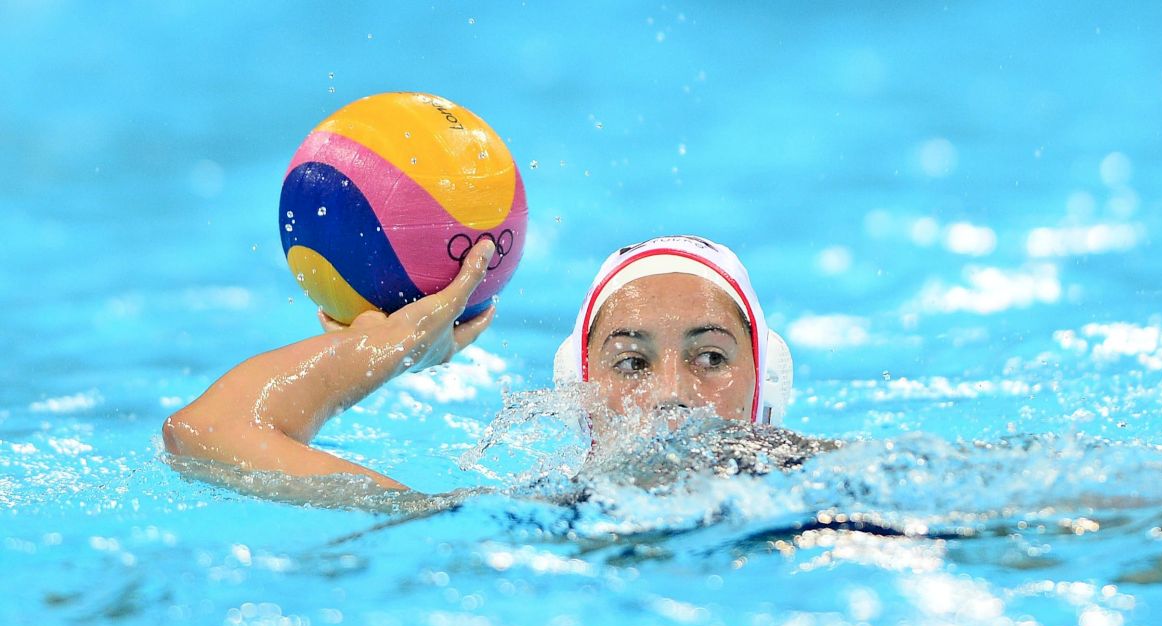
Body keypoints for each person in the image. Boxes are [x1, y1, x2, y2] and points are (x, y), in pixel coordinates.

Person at [161, 235, 825, 501]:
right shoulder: (531, 522)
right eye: (631, 362)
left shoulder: (842, 493)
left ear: (764, 384)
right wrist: (381, 352)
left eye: (711, 357)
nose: (674, 395)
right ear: (583, 392)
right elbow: (204, 434)